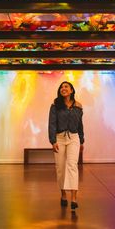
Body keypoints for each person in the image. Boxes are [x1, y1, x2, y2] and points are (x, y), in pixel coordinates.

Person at [48, 81, 84, 210]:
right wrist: (53, 141)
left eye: (66, 87)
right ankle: (63, 194)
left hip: (74, 138)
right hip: (60, 138)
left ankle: (74, 198)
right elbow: (51, 124)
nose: (63, 89)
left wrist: (82, 140)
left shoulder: (78, 106)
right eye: (61, 87)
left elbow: (80, 125)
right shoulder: (55, 105)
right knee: (60, 168)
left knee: (72, 166)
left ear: (72, 90)